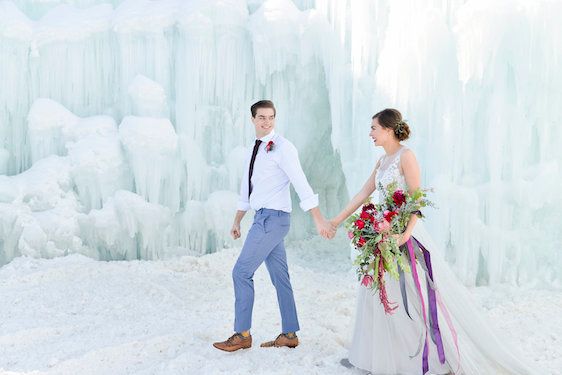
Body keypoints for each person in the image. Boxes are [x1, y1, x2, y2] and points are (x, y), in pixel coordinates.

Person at [330, 108, 536, 374]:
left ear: (389, 129)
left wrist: (404, 234)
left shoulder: (407, 156)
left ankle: (419, 357)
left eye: (373, 128)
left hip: (405, 233)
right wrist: (337, 220)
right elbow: (364, 193)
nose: (370, 133)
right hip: (384, 233)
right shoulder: (382, 162)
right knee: (379, 293)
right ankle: (379, 355)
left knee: (414, 296)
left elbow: (416, 199)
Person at [213, 100, 335, 352]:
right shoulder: (253, 149)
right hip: (264, 218)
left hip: (273, 219)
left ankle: (242, 334)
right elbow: (247, 188)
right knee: (281, 278)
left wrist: (318, 218)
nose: (266, 122)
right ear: (253, 119)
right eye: (261, 118)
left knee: (240, 272)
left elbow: (300, 182)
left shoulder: (283, 148)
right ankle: (289, 333)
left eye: (271, 117)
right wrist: (237, 219)